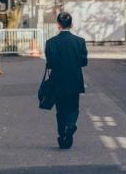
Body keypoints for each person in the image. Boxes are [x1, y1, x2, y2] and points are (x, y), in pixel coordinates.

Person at [45, 12, 88, 149]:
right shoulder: (80, 41)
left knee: (60, 109)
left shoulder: (50, 43)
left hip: (57, 80)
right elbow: (83, 62)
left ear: (58, 25)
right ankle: (71, 125)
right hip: (74, 79)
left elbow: (50, 64)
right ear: (71, 24)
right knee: (73, 107)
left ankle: (62, 135)